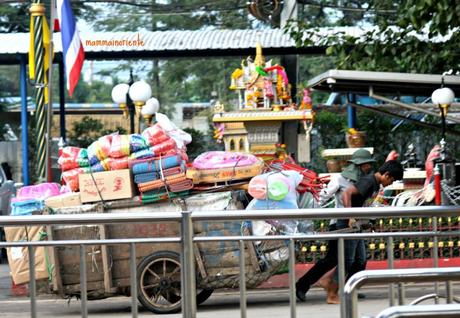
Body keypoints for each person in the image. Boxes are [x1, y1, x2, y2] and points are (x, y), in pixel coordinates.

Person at [296, 149, 376, 303]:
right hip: (340, 224)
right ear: (359, 164)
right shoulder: (339, 179)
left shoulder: (365, 180)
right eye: (366, 164)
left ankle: (349, 287)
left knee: (360, 260)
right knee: (333, 259)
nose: (368, 167)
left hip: (357, 225)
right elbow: (322, 196)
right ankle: (303, 285)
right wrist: (310, 213)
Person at [327, 160, 404, 303]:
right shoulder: (369, 181)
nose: (391, 183)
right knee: (347, 260)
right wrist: (350, 216)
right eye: (392, 180)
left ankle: (346, 288)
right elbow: (346, 193)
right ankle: (332, 294)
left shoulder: (375, 184)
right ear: (386, 175)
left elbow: (361, 203)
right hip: (348, 223)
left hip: (357, 224)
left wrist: (367, 223)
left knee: (361, 259)